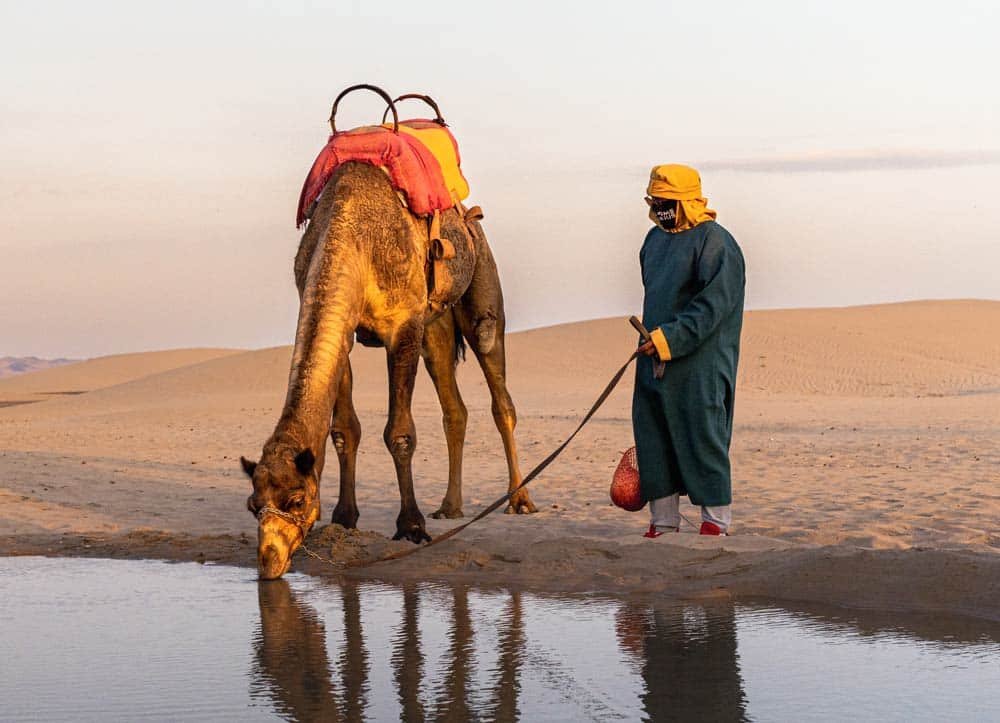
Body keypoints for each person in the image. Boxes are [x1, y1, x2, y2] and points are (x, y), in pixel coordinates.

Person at [633, 164, 746, 537]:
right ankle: (663, 520)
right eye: (655, 201)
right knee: (653, 437)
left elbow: (712, 307)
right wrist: (654, 343)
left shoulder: (716, 242)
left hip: (701, 363)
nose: (660, 208)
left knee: (703, 435)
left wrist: (669, 339)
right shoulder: (652, 241)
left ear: (686, 200)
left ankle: (715, 520)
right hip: (652, 359)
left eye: (667, 201)